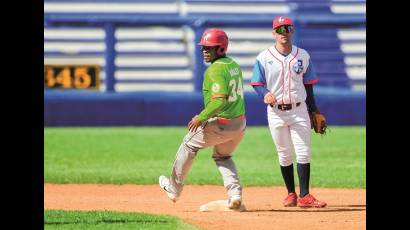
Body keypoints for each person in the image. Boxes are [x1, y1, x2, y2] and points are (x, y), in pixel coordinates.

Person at [159, 28, 246, 210]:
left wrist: (201, 117)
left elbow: (219, 101)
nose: (205, 51)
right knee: (223, 157)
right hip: (239, 124)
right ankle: (235, 195)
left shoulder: (214, 70)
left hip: (220, 123)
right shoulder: (233, 64)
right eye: (204, 48)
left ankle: (173, 189)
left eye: (210, 48)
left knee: (188, 145)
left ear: (221, 48)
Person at [250, 16, 327, 208]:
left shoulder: (303, 55)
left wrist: (314, 110)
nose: (284, 33)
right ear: (274, 33)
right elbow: (257, 83)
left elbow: (309, 86)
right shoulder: (264, 57)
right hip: (276, 112)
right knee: (284, 154)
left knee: (303, 152)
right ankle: (291, 194)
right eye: (280, 29)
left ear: (292, 31)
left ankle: (305, 195)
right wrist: (264, 93)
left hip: (299, 109)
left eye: (287, 29)